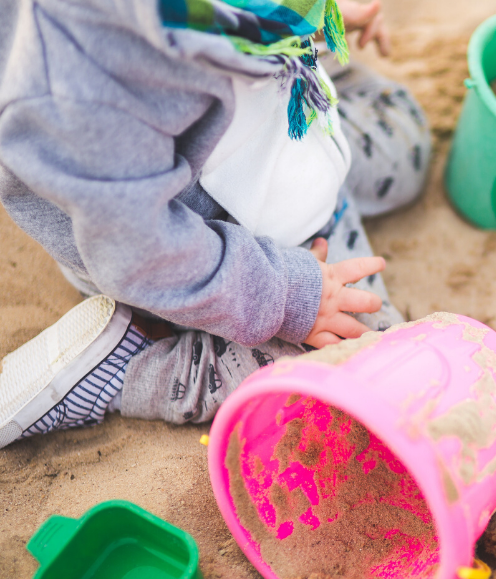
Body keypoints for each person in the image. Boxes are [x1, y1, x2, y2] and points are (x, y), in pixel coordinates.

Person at [0, 0, 431, 448]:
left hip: (278, 131)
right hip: (201, 256)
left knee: (405, 140)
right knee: (375, 365)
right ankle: (135, 366)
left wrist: (313, 17)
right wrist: (288, 297)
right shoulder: (82, 82)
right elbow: (143, 256)